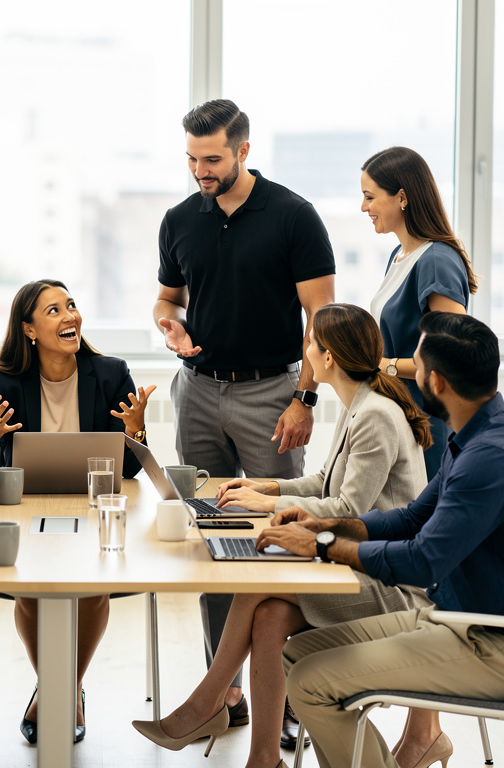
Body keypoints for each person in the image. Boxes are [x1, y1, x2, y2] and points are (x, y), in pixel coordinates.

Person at [133, 303, 434, 768]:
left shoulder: (375, 413)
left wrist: (267, 505)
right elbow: (325, 485)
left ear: (328, 357)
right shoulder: (363, 401)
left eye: (310, 344)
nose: (305, 351)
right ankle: (263, 758)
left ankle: (207, 701)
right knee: (270, 616)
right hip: (353, 564)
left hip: (385, 584)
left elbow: (349, 509)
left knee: (260, 583)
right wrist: (265, 485)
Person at [267, 312, 504, 768]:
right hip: (459, 621)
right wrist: (321, 527)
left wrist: (323, 548)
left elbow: (423, 561)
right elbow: (411, 519)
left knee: (312, 681)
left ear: (438, 382)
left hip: (503, 649)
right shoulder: (477, 435)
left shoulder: (493, 456)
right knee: (299, 653)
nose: (404, 371)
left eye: (415, 364)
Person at [153, 97, 336, 736]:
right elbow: (167, 299)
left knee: (277, 539)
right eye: (192, 159)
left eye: (212, 158)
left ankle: (282, 702)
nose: (201, 171)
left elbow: (321, 321)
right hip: (198, 391)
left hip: (272, 393)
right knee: (213, 539)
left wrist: (305, 398)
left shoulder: (293, 216)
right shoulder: (180, 218)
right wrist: (169, 328)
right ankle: (223, 692)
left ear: (243, 151)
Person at [0, 278, 154, 743]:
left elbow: (130, 470)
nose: (69, 316)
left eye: (70, 306)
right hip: (27, 512)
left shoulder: (111, 373)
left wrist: (137, 432)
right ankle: (60, 686)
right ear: (28, 329)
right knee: (30, 592)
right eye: (52, 311)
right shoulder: (2, 381)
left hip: (95, 510)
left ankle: (62, 688)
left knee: (91, 591)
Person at [362, 146, 478, 479]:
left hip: (426, 422)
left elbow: (452, 359)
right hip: (399, 414)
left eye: (370, 197)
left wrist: (385, 366)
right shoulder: (400, 255)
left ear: (402, 197)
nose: (363, 207)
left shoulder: (436, 261)